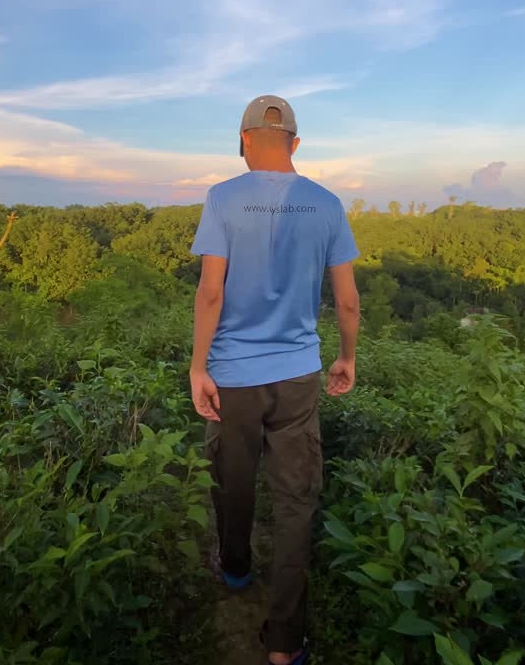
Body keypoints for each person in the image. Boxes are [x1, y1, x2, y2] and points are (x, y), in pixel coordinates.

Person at [188, 94, 361, 665]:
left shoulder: (222, 199)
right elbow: (348, 300)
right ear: (294, 142)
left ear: (242, 140)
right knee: (294, 500)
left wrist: (199, 365)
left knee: (233, 477)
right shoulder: (328, 204)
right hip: (297, 376)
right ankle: (284, 643)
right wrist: (346, 358)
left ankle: (236, 569)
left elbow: (211, 291)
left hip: (235, 375)